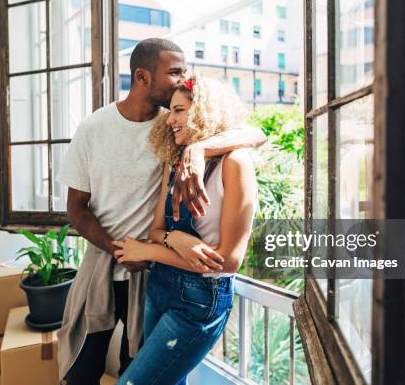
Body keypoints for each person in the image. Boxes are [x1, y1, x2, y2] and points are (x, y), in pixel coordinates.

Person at [55, 39, 265, 384]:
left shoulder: (178, 127)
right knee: (81, 367)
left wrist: (199, 149)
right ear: (142, 77)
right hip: (108, 264)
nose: (183, 77)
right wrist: (119, 249)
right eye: (175, 72)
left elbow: (255, 134)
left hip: (154, 273)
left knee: (134, 367)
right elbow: (75, 209)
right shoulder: (97, 128)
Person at [113, 75, 258, 385]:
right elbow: (156, 230)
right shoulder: (175, 161)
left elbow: (228, 262)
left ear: (204, 111)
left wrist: (150, 251)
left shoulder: (235, 163)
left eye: (178, 110)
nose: (170, 120)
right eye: (170, 111)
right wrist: (173, 238)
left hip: (200, 300)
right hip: (160, 286)